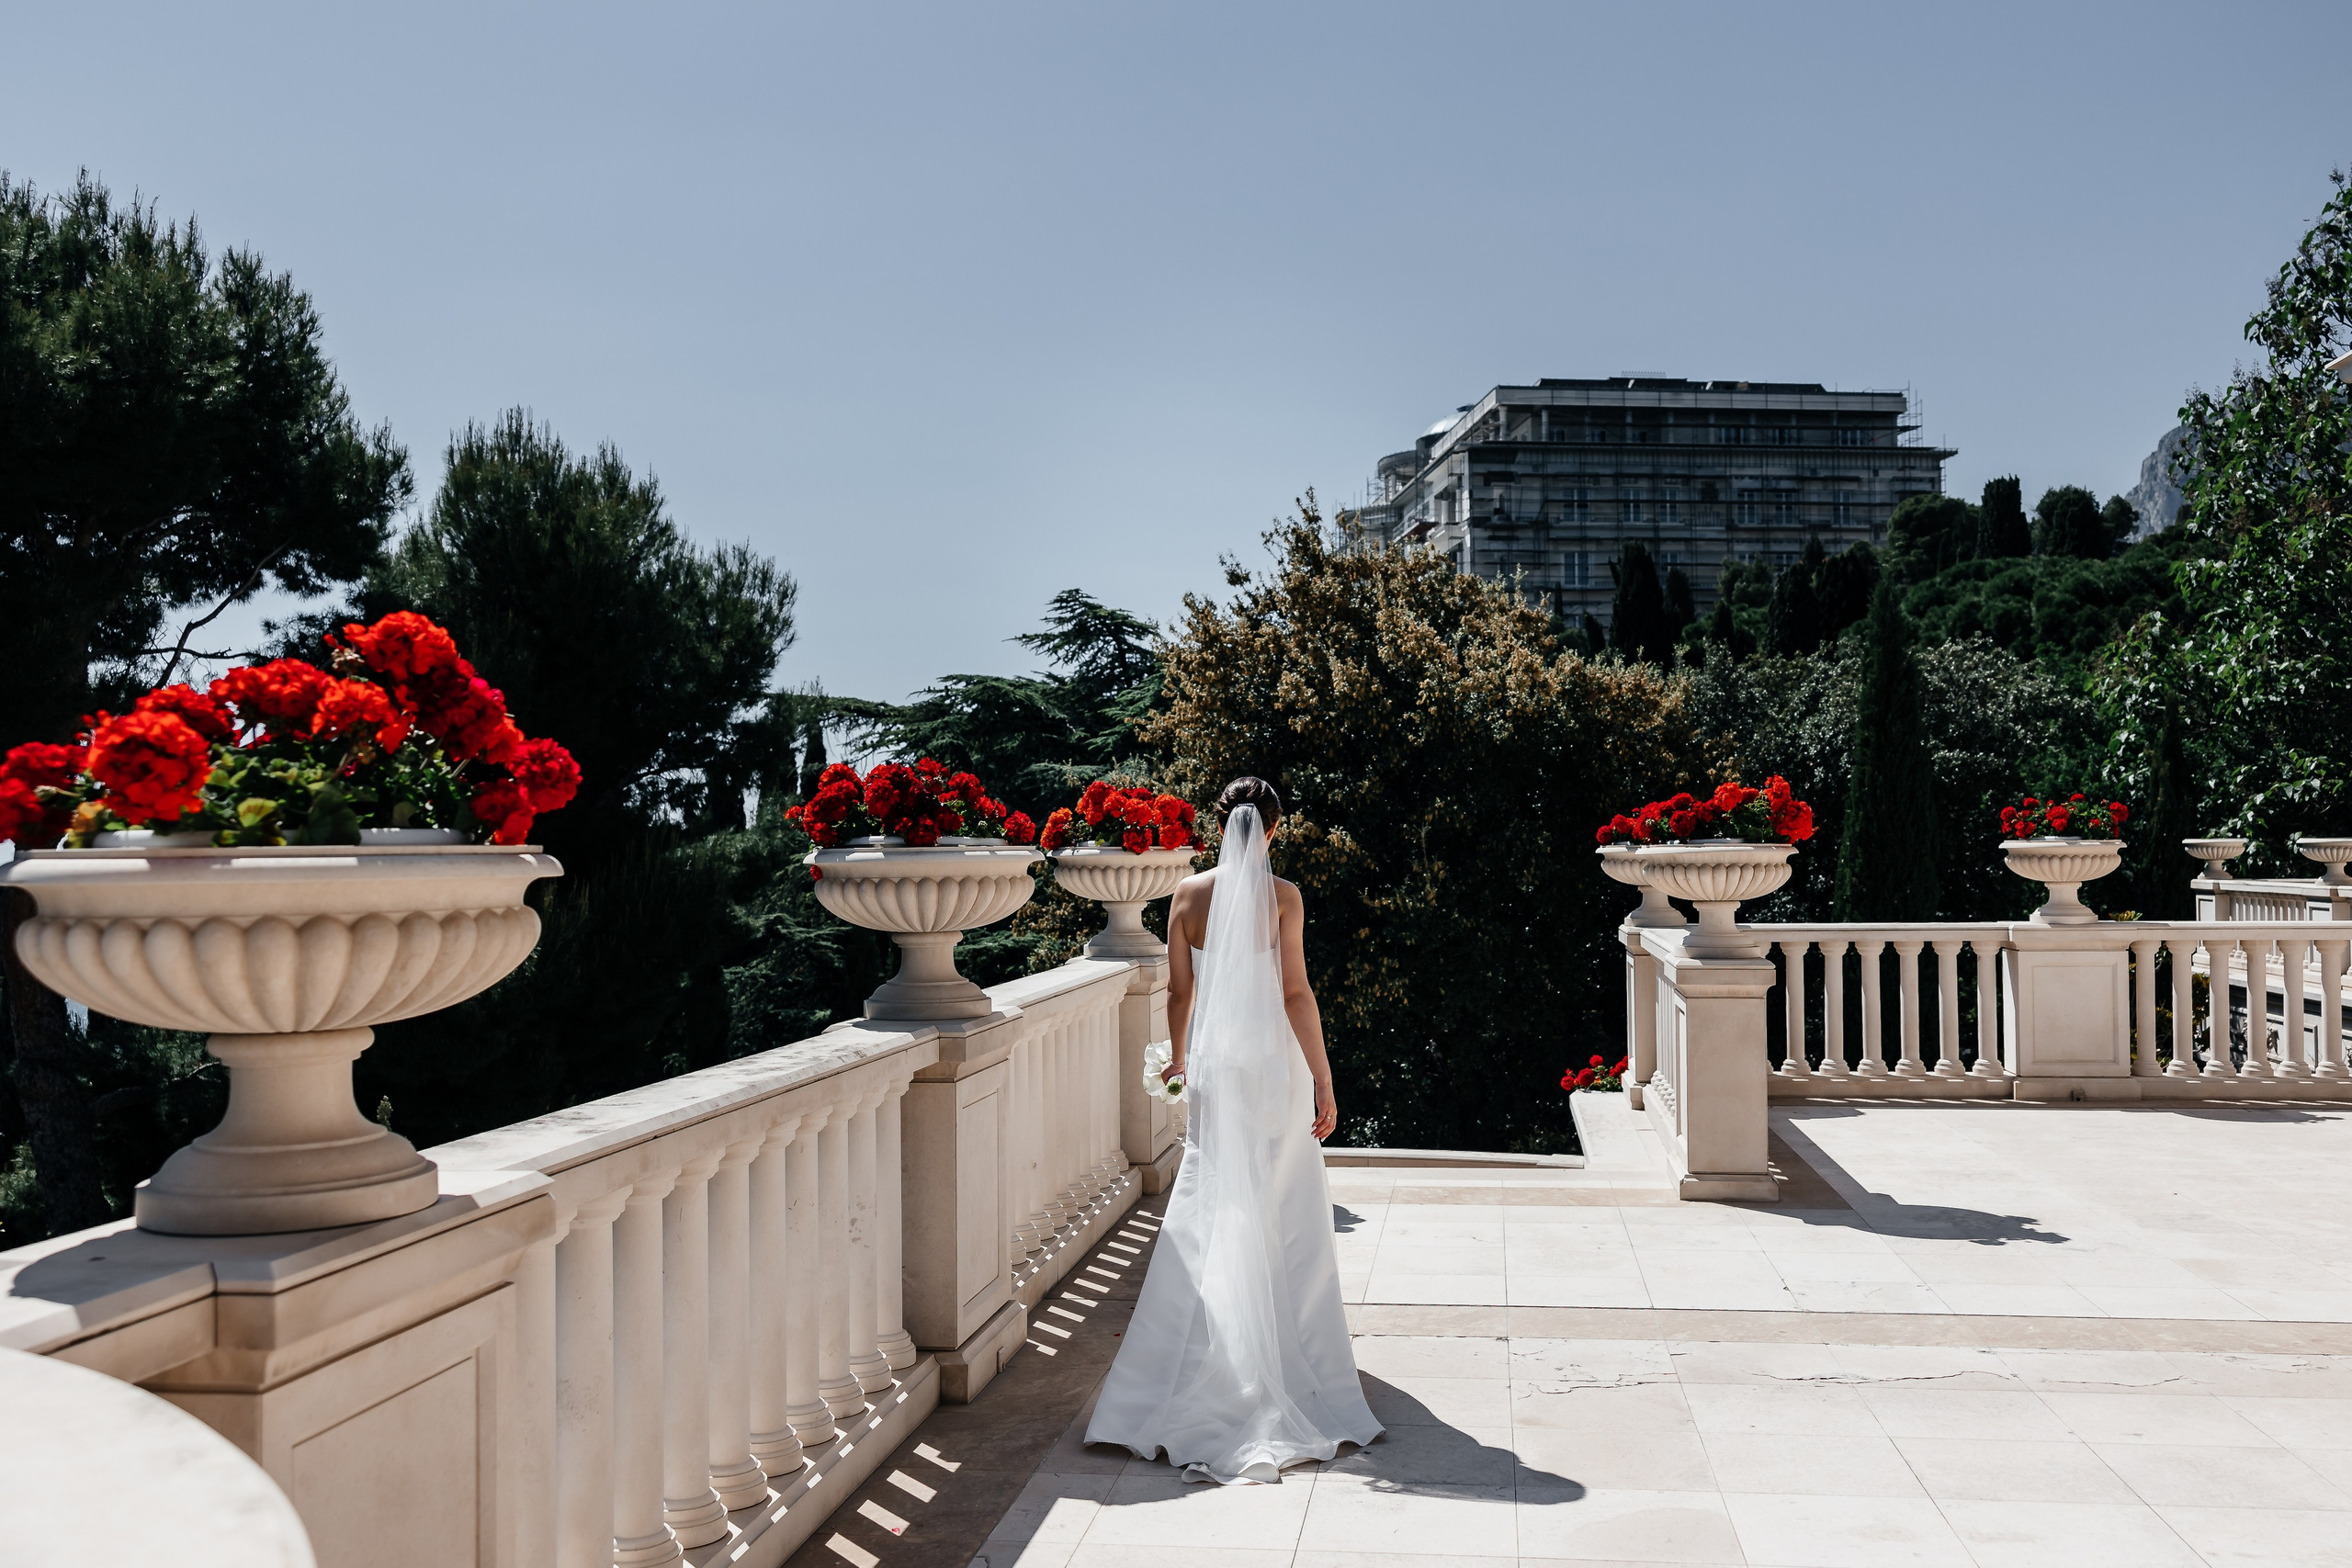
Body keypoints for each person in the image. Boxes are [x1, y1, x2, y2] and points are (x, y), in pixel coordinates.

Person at [1084, 775, 1383, 1483]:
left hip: (1216, 1070)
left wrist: (1179, 1062)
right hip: (1274, 1069)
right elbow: (1295, 992)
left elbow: (1179, 992)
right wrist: (1323, 1078)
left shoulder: (1187, 896)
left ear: (1221, 826)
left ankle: (1190, 1365)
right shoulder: (1284, 897)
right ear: (1273, 829)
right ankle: (1288, 1361)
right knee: (1284, 1206)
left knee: (1210, 1203)